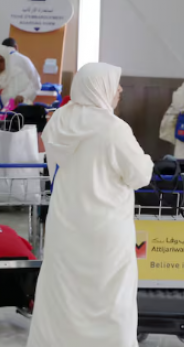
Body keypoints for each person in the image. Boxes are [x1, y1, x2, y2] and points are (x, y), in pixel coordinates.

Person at [27, 63, 154, 346]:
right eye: (115, 84)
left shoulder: (59, 120)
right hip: (105, 230)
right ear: (99, 88)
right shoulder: (114, 129)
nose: (120, 90)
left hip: (64, 224)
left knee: (63, 296)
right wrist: (147, 159)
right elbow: (140, 175)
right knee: (109, 300)